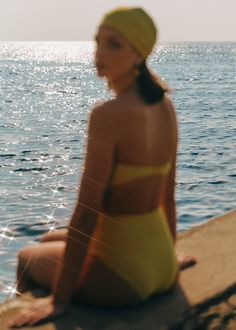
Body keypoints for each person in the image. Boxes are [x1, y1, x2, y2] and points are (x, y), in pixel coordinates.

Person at [9, 7, 195, 328]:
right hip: (162, 264)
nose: (99, 53)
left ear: (139, 53)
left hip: (126, 279)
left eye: (114, 44)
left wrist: (60, 300)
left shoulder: (108, 114)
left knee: (27, 257)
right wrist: (170, 255)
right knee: (48, 238)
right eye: (98, 42)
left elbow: (86, 210)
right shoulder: (164, 105)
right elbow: (168, 193)